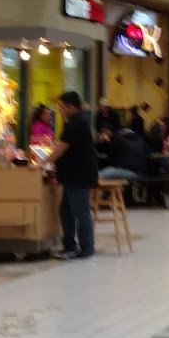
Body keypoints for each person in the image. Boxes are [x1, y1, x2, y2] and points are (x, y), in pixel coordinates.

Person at [51, 91, 100, 258]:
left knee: (81, 212)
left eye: (62, 107)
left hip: (78, 175)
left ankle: (86, 248)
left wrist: (44, 163)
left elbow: (62, 147)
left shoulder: (76, 123)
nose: (60, 110)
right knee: (66, 211)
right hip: (73, 175)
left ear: (71, 107)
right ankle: (69, 245)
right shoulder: (75, 122)